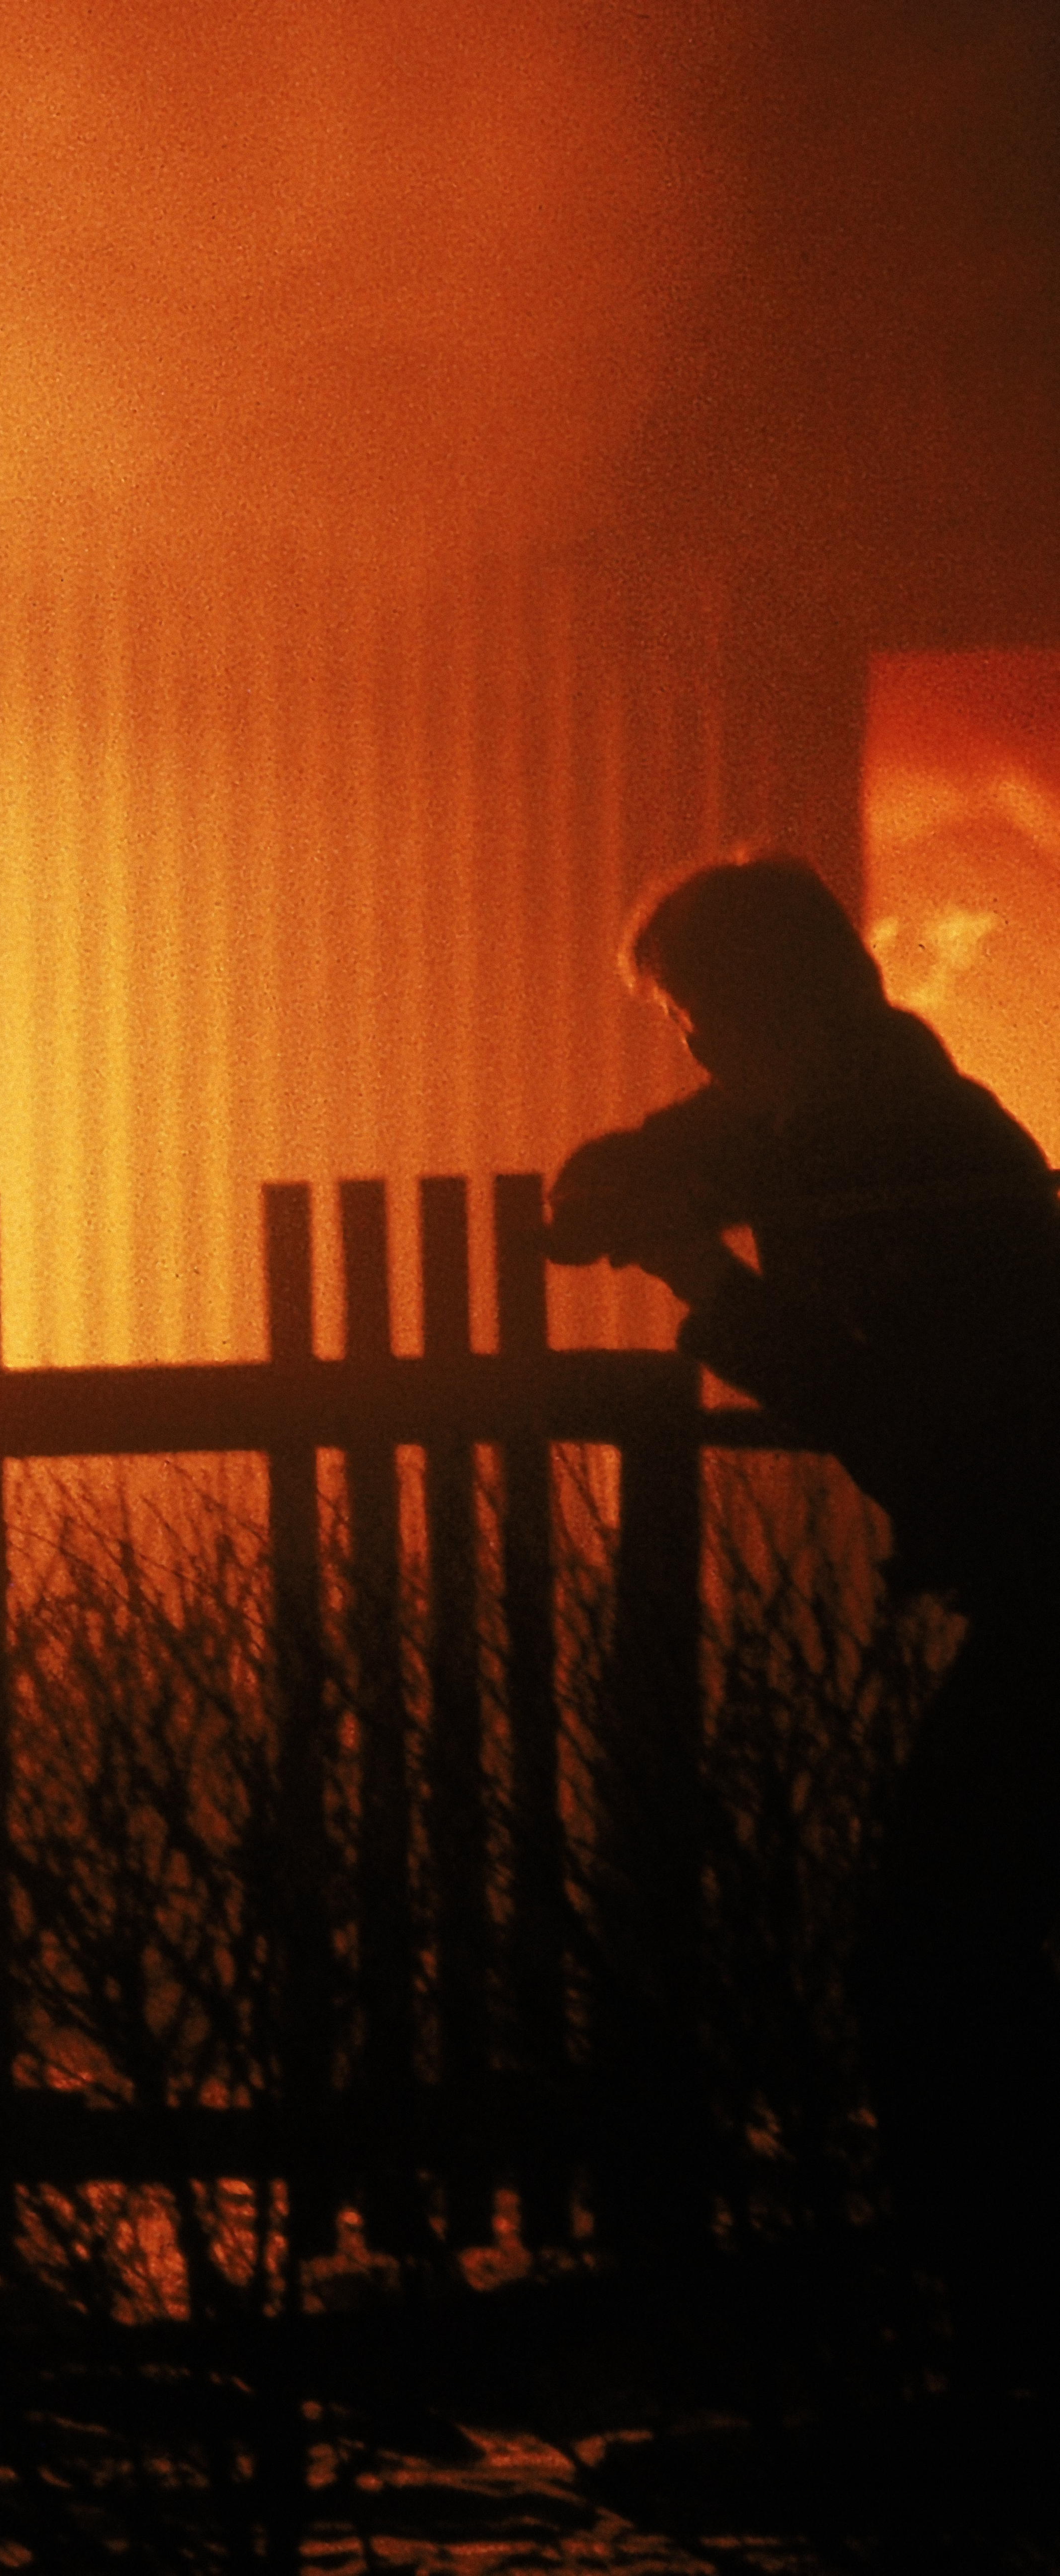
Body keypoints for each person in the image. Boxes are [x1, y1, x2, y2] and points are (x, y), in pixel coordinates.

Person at [547, 850, 1060, 2373]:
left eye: (706, 1013)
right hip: (1027, 1577)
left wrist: (699, 1274)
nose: (693, 1049)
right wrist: (624, 1172)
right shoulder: (858, 1108)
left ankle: (1015, 2338)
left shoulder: (888, 1144)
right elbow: (689, 1139)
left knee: (933, 1961)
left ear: (779, 1004)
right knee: (955, 1950)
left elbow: (879, 1398)